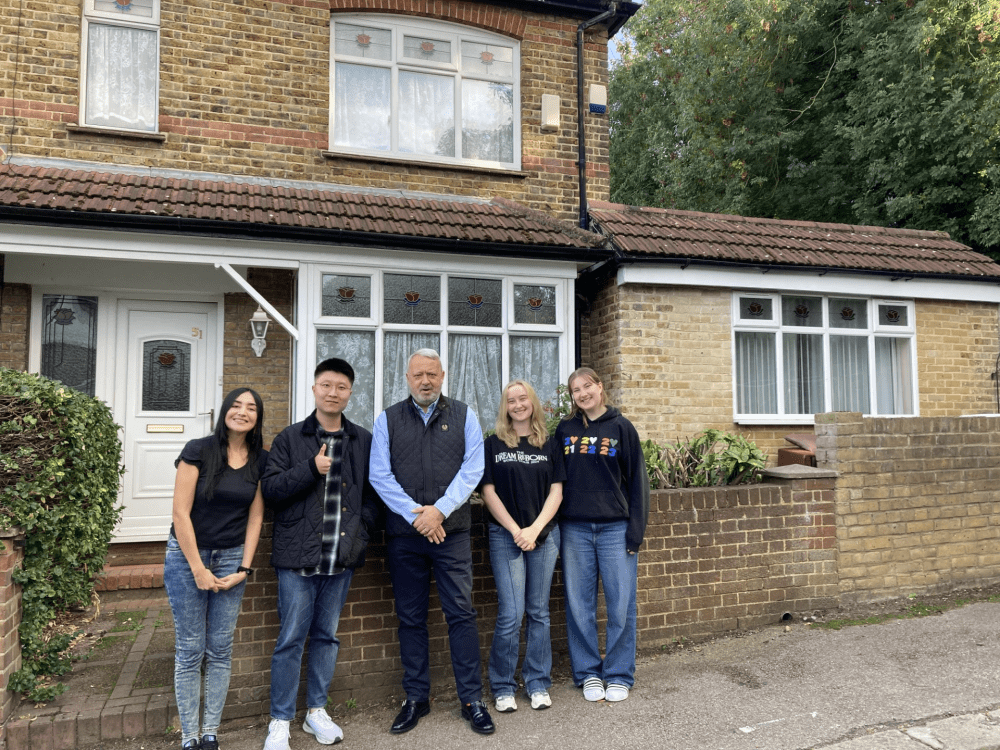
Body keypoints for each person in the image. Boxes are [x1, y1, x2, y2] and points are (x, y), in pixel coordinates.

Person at [369, 348, 494, 736]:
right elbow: (379, 475)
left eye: (432, 375)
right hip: (407, 538)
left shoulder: (465, 415)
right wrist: (418, 516)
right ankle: (416, 698)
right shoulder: (387, 419)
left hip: (451, 533)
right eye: (418, 375)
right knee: (410, 619)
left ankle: (472, 699)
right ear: (407, 378)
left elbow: (473, 468)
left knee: (461, 614)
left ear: (443, 376)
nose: (426, 381)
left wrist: (438, 511)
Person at [261, 358, 379, 750]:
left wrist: (360, 536)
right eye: (326, 385)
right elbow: (272, 491)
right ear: (314, 389)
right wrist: (311, 468)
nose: (333, 392)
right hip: (298, 558)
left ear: (350, 392)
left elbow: (373, 495)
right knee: (291, 639)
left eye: (341, 386)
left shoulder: (362, 439)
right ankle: (280, 720)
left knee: (327, 637)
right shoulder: (290, 439)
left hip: (340, 558)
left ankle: (315, 712)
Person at [165, 387, 267, 750]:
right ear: (225, 410)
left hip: (230, 559)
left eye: (251, 408)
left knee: (221, 648)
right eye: (237, 405)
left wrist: (244, 567)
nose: (243, 412)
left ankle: (210, 733)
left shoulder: (260, 459)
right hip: (187, 556)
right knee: (191, 649)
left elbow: (256, 518)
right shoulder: (198, 450)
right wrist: (196, 569)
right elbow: (180, 513)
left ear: (258, 418)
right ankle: (189, 737)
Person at [555, 367, 649, 704]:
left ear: (600, 387)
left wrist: (635, 532)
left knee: (621, 605)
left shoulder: (622, 428)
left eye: (586, 387)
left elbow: (638, 482)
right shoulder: (564, 430)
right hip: (575, 528)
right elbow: (554, 482)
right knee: (580, 605)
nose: (582, 394)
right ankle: (589, 673)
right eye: (575, 390)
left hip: (615, 529)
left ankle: (620, 673)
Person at [481, 380, 564, 713]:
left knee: (539, 612)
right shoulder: (494, 443)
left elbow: (556, 492)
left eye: (523, 398)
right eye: (511, 400)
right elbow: (488, 492)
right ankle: (502, 685)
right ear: (505, 406)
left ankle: (537, 682)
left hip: (544, 535)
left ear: (533, 402)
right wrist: (518, 530)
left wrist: (535, 528)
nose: (517, 404)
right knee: (511, 614)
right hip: (506, 536)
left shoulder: (550, 444)